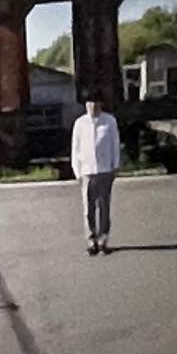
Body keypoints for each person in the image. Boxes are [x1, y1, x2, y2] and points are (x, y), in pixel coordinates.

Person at [71, 93, 120, 255]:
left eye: (95, 103)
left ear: (100, 104)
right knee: (89, 208)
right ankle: (91, 240)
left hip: (105, 170)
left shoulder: (109, 121)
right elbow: (75, 149)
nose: (92, 106)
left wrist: (115, 165)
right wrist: (77, 171)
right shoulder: (80, 123)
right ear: (86, 105)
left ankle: (103, 238)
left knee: (104, 207)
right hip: (87, 171)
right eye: (89, 103)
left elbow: (115, 144)